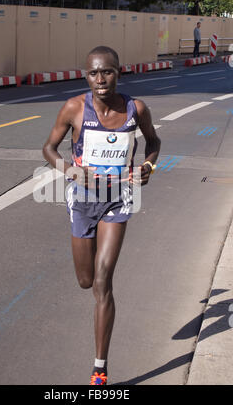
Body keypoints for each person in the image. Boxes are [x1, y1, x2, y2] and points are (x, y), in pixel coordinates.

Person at [42, 46, 161, 385]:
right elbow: (47, 148)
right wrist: (69, 170)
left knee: (103, 280)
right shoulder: (74, 108)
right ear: (86, 76)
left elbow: (154, 142)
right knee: (85, 280)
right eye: (94, 73)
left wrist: (148, 166)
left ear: (118, 73)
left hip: (119, 199)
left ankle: (99, 368)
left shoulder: (136, 109)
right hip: (82, 199)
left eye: (106, 72)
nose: (100, 79)